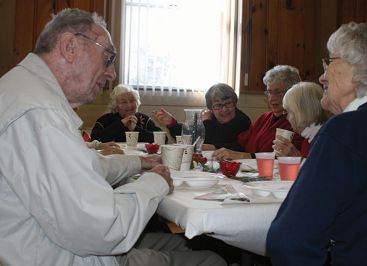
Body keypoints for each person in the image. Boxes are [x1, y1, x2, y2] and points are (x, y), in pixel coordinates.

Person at [0, 8, 226, 266]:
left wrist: (139, 163)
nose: (112, 74)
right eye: (108, 57)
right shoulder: (40, 113)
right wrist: (155, 182)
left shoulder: (25, 91)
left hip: (56, 245)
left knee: (188, 245)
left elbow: (84, 167)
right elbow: (104, 229)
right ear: (69, 47)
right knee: (211, 260)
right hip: (74, 255)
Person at [267, 21, 367, 265]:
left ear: (357, 69)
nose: (322, 75)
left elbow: (289, 240)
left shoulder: (347, 131)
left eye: (329, 62)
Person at [213, 65, 304, 160]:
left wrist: (242, 156)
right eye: (269, 92)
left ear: (292, 93)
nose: (271, 98)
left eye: (278, 92)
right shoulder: (264, 118)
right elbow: (240, 144)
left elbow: (281, 158)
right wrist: (210, 147)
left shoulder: (297, 123)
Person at [153, 83, 251, 151]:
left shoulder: (243, 120)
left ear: (235, 102)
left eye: (228, 103)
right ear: (210, 108)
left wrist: (207, 123)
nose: (224, 109)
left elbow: (234, 144)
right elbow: (189, 137)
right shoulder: (209, 117)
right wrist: (172, 124)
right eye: (218, 105)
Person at [272, 81, 330, 157]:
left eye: (289, 112)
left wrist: (297, 159)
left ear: (302, 112)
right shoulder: (308, 140)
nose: (287, 117)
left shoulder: (324, 141)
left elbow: (319, 168)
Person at [91, 84, 162, 143]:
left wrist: (135, 129)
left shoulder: (144, 119)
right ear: (116, 106)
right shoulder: (105, 120)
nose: (129, 105)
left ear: (137, 103)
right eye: (124, 102)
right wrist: (121, 124)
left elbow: (162, 139)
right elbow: (94, 140)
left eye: (132, 101)